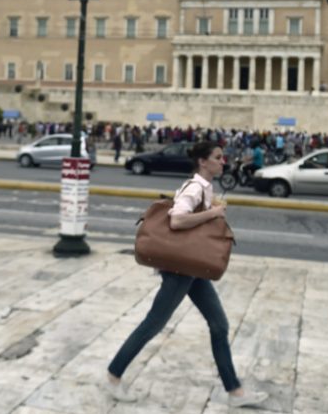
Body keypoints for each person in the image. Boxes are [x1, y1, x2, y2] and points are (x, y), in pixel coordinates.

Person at [105, 141, 268, 409]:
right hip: (181, 270)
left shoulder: (203, 187)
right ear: (203, 162)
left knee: (219, 325)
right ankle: (113, 376)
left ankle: (235, 392)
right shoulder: (195, 187)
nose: (222, 161)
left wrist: (209, 210)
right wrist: (213, 213)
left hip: (193, 267)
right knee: (152, 324)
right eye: (217, 157)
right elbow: (177, 220)